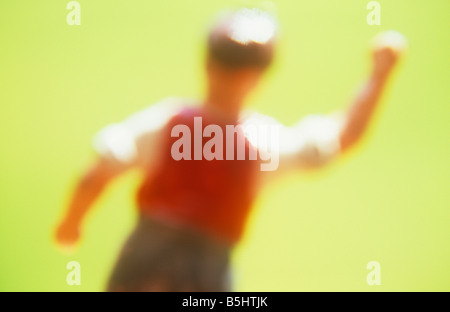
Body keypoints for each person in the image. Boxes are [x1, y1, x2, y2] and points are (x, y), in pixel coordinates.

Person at [54, 8, 406, 291]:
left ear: (207, 63)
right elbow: (345, 136)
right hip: (208, 271)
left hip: (143, 257)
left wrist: (72, 223)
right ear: (260, 75)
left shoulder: (166, 123)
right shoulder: (262, 142)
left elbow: (97, 172)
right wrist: (380, 73)